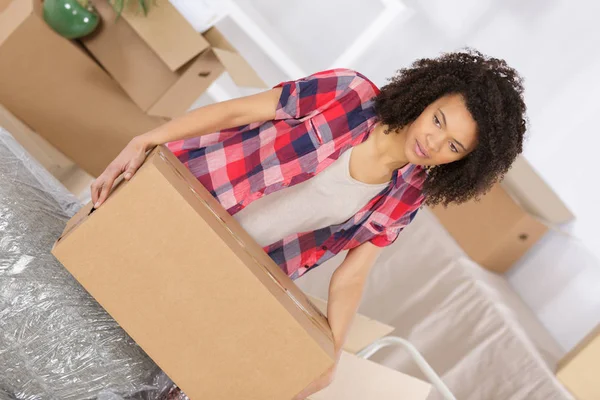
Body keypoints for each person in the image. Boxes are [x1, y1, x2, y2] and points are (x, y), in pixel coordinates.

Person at [91, 49, 527, 399]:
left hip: (224, 266)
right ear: (428, 96)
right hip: (174, 203)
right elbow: (238, 112)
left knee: (133, 350)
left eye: (453, 146)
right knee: (89, 275)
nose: (433, 142)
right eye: (438, 119)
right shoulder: (349, 94)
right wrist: (148, 139)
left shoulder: (408, 195)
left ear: (462, 163)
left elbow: (353, 276)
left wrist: (328, 357)